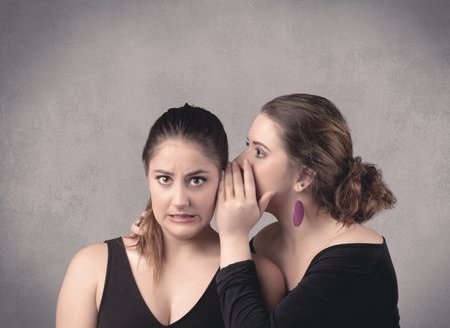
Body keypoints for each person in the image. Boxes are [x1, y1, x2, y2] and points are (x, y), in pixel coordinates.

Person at [56, 104, 284, 328]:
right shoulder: (92, 267)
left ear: (223, 180)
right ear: (148, 178)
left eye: (197, 180)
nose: (180, 200)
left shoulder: (265, 277)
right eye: (164, 179)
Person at [215, 94, 400, 328]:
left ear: (303, 176)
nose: (238, 163)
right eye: (247, 146)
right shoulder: (266, 241)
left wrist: (232, 237)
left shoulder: (355, 259)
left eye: (259, 152)